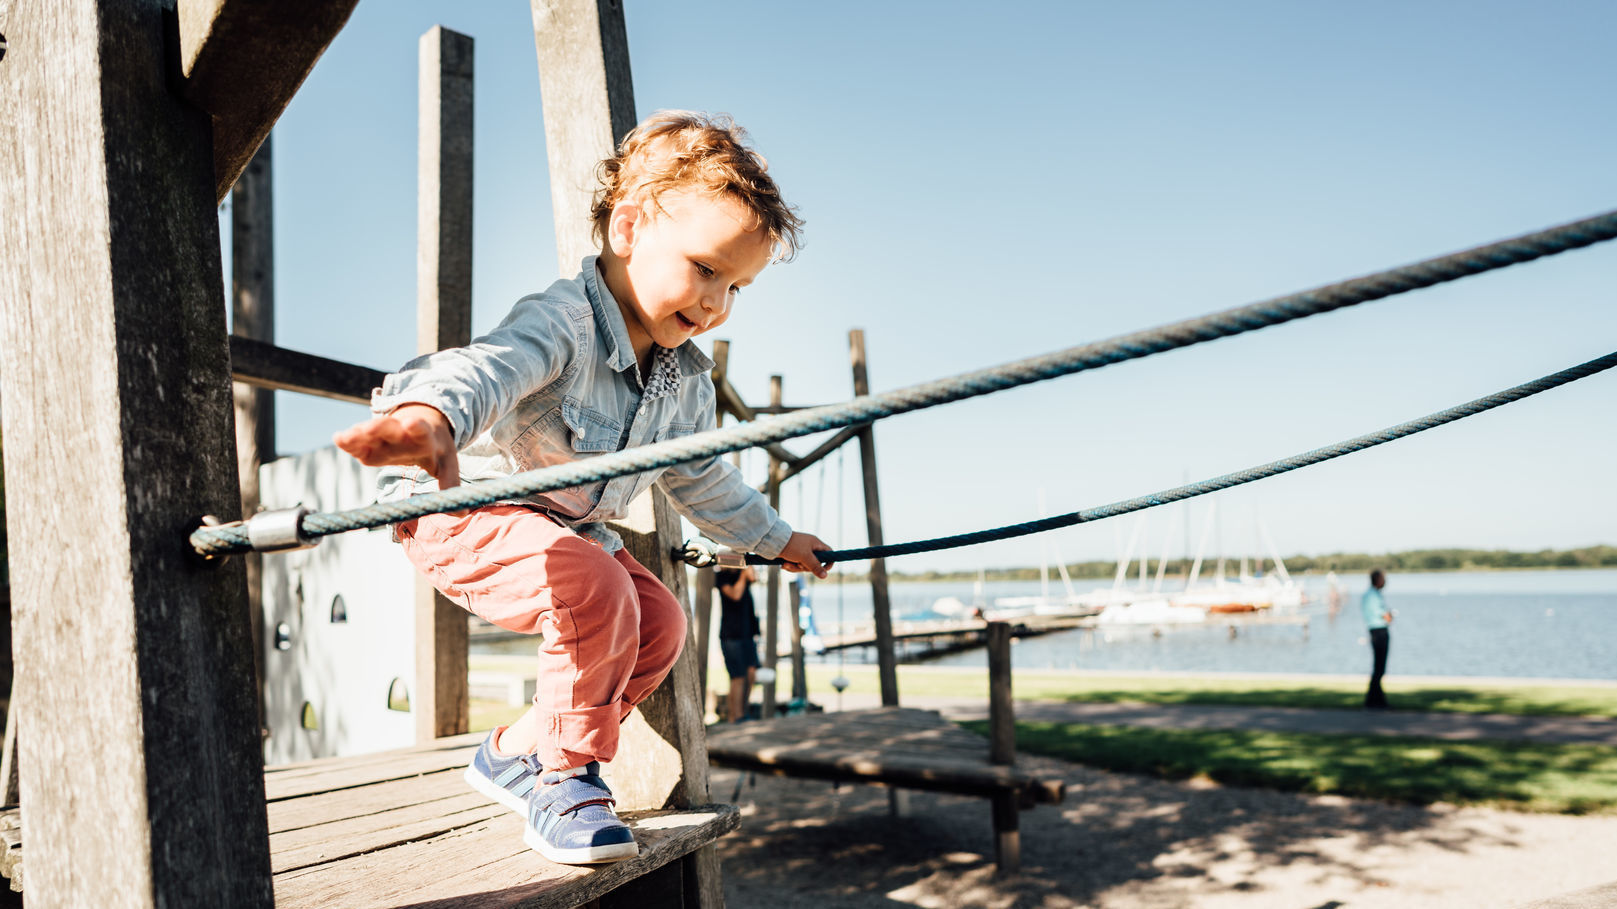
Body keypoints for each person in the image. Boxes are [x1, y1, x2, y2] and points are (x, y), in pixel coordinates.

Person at [334, 111, 831, 865]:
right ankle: (565, 777)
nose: (716, 303)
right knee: (594, 583)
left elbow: (703, 474)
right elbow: (488, 366)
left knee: (661, 623)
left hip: (568, 537)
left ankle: (514, 751)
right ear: (627, 228)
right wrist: (430, 418)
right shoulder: (563, 321)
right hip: (466, 512)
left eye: (736, 286)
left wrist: (775, 538)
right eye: (703, 268)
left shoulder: (683, 383)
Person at [715, 565, 760, 722]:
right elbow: (735, 594)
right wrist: (742, 576)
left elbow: (755, 578)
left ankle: (744, 710)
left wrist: (747, 567)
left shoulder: (745, 573)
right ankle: (735, 716)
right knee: (737, 677)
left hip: (747, 633)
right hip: (731, 635)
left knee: (751, 673)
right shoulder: (722, 576)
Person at [1361, 568, 1392, 709]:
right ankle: (1374, 700)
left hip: (1374, 631)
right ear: (1378, 580)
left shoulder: (1369, 595)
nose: (1385, 581)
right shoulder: (1373, 596)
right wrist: (1389, 616)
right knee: (1379, 667)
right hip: (1379, 631)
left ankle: (1376, 699)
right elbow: (1385, 616)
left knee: (1378, 667)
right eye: (1383, 578)